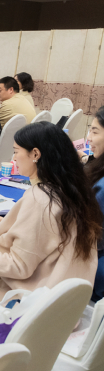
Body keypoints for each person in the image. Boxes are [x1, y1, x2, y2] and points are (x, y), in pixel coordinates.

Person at [0, 122, 101, 335]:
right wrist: (7, 223)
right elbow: (49, 232)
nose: (13, 158)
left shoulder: (41, 198)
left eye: (16, 151)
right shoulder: (75, 190)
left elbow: (18, 266)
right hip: (64, 299)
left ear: (35, 154)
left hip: (33, 302)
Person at [81, 106, 104, 301]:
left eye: (95, 132)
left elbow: (85, 237)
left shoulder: (101, 187)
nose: (88, 138)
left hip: (95, 271)